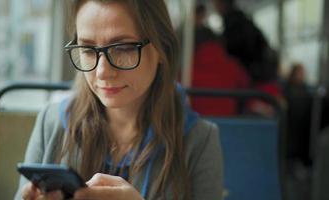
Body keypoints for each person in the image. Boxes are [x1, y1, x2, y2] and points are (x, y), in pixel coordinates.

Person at [14, 0, 223, 200]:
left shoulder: (199, 141)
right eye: (88, 49)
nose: (102, 72)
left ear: (162, 48)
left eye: (123, 48)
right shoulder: (50, 123)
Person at [191, 4, 250, 116]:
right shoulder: (234, 66)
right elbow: (246, 88)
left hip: (195, 126)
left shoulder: (186, 70)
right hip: (231, 126)